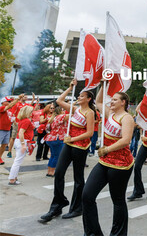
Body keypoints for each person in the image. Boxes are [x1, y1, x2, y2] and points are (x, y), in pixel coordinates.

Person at [82, 84, 134, 236]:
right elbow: (98, 102)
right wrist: (104, 83)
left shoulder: (127, 118)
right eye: (111, 99)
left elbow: (126, 140)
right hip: (105, 161)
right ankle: (93, 233)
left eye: (115, 99)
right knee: (87, 196)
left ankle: (118, 234)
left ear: (123, 102)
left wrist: (107, 149)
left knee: (118, 201)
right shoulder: (109, 113)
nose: (111, 102)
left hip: (121, 165)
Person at [39, 80, 95, 222]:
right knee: (58, 173)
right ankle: (58, 204)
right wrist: (70, 88)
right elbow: (59, 100)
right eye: (79, 95)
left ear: (88, 99)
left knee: (78, 178)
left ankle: (77, 208)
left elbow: (89, 133)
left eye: (82, 96)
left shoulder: (90, 113)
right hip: (69, 144)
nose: (79, 97)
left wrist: (73, 138)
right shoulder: (75, 110)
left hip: (80, 147)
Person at [8, 105, 35, 185]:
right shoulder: (26, 120)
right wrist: (23, 144)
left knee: (17, 161)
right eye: (31, 111)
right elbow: (21, 133)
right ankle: (12, 179)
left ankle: (14, 178)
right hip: (22, 141)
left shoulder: (23, 120)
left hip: (20, 141)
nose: (32, 113)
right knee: (17, 161)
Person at [44, 106, 68, 177]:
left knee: (53, 156)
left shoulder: (53, 118)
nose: (64, 111)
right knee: (57, 156)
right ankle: (52, 172)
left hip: (51, 138)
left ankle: (49, 171)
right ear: (60, 111)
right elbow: (71, 115)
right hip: (57, 139)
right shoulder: (60, 117)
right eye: (63, 110)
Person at [0, 95, 21, 165]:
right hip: (1, 129)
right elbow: (10, 106)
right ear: (3, 102)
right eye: (8, 101)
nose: (9, 102)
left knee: (4, 144)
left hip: (7, 129)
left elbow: (11, 118)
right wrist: (18, 99)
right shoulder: (2, 108)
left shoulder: (9, 110)